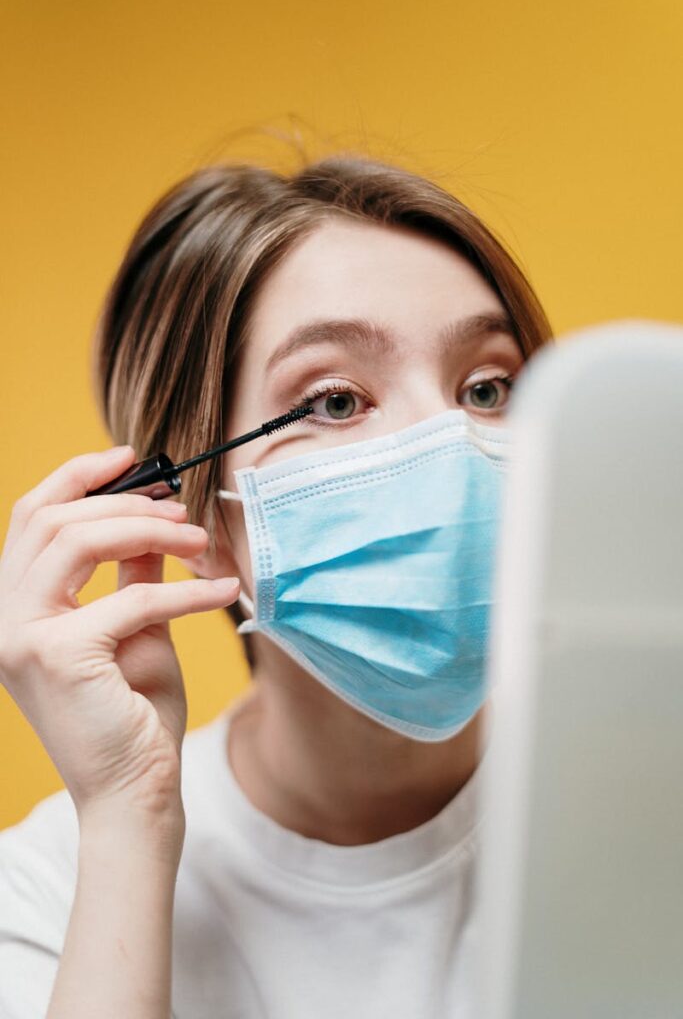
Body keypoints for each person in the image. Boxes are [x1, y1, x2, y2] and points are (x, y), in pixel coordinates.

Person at [0, 155, 553, 1019]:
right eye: (336, 401)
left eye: (487, 387)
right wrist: (127, 822)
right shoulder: (46, 891)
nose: (451, 444)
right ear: (188, 509)